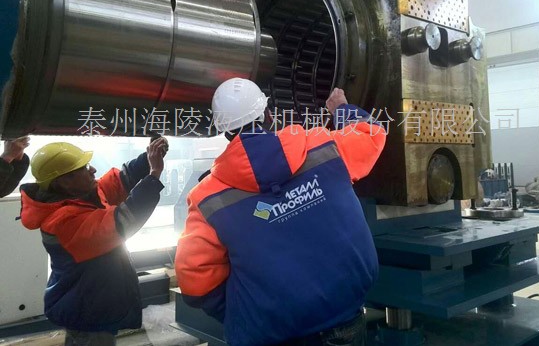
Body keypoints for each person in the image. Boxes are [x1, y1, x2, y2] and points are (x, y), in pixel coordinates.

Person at [175, 78, 386, 346]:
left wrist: (248, 310)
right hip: (345, 321)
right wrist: (341, 109)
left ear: (224, 131)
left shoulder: (206, 198)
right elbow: (372, 134)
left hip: (271, 336)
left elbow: (194, 278)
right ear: (268, 114)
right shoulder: (322, 145)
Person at [20, 137, 169, 346]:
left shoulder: (79, 196)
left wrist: (148, 157)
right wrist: (154, 175)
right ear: (64, 181)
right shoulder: (63, 221)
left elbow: (119, 182)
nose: (93, 170)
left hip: (91, 301)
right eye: (84, 168)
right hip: (88, 313)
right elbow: (124, 221)